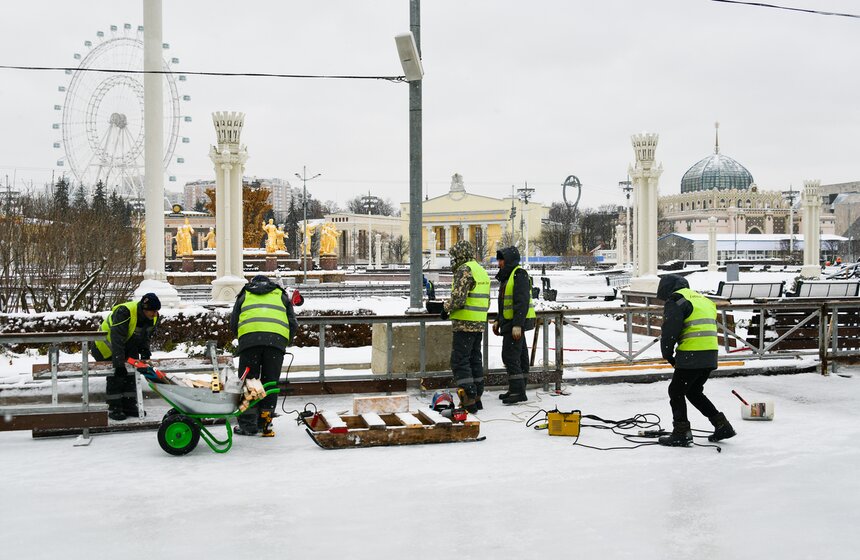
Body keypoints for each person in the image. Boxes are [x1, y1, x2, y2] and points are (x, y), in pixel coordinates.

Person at [657, 274, 736, 446]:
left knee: (676, 392)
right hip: (710, 353)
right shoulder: (703, 299)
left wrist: (667, 353)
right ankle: (722, 425)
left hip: (691, 353)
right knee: (693, 391)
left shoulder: (677, 300)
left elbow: (671, 329)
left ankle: (681, 432)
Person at [230, 275, 299, 437]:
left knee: (249, 382)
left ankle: (248, 425)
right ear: (270, 284)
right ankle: (265, 423)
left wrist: (244, 339)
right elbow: (293, 323)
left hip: (249, 343)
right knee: (270, 382)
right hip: (275, 343)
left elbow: (234, 322)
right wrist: (283, 342)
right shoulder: (280, 295)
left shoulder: (244, 294)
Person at [92, 293, 161, 421]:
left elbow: (145, 335)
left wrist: (145, 350)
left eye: (156, 311)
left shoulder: (154, 317)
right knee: (116, 376)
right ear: (143, 308)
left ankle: (129, 405)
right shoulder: (124, 312)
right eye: (152, 311)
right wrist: (119, 364)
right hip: (105, 346)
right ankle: (115, 407)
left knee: (131, 374)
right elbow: (117, 338)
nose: (154, 314)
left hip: (127, 346)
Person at [441, 240, 490, 413]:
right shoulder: (480, 270)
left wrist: (445, 308)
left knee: (460, 361)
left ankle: (468, 400)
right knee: (474, 359)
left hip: (464, 323)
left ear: (459, 255)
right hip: (479, 323)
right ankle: (477, 397)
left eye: (454, 256)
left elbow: (458, 300)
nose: (453, 260)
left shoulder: (464, 270)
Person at [492, 246, 535, 405]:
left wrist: (517, 324)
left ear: (508, 260)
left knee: (510, 356)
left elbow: (521, 302)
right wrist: (498, 319)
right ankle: (518, 388)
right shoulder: (508, 276)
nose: (499, 262)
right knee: (520, 356)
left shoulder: (519, 274)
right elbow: (505, 302)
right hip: (510, 322)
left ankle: (518, 391)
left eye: (501, 259)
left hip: (515, 324)